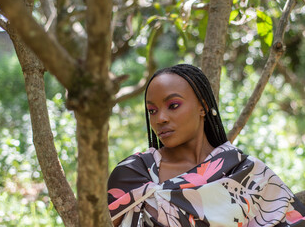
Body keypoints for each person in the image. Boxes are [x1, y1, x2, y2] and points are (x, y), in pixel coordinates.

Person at [107, 64, 305, 227]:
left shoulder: (247, 173)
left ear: (202, 106)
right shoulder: (133, 176)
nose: (161, 118)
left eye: (173, 105)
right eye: (152, 111)